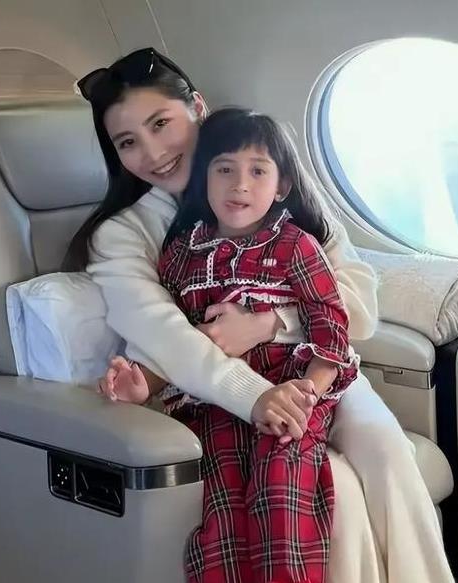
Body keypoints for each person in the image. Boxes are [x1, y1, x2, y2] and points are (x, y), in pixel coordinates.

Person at [66, 47, 454, 583]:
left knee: (389, 455)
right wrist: (256, 397)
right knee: (335, 491)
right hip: (222, 395)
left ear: (197, 108)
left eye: (161, 124)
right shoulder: (126, 234)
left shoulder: (270, 183)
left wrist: (269, 322)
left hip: (317, 371)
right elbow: (167, 337)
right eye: (128, 142)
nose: (153, 153)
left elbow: (358, 305)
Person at [104, 107, 361, 583]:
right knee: (221, 511)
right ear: (204, 178)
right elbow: (178, 339)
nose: (239, 185)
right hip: (215, 405)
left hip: (292, 390)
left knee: (280, 485)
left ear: (281, 186)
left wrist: (309, 391)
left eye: (257, 171)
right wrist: (144, 384)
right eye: (224, 170)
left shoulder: (295, 245)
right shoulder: (181, 255)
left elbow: (331, 323)